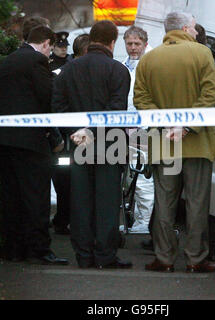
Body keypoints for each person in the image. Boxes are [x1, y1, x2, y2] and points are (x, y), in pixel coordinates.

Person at [134, 12, 215, 273]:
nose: (195, 32)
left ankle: (164, 258)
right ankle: (195, 259)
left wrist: (166, 124)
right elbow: (209, 95)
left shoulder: (149, 59)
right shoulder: (202, 54)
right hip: (198, 143)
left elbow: (141, 100)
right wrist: (187, 125)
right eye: (194, 28)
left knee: (164, 203)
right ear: (185, 28)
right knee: (196, 203)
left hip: (163, 142)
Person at [51, 20, 132, 269]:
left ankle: (84, 255)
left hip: (79, 144)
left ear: (92, 38)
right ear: (113, 41)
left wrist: (75, 131)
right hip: (110, 142)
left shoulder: (68, 70)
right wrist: (91, 130)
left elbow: (58, 108)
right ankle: (105, 255)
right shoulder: (119, 71)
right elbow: (116, 109)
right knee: (107, 202)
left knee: (81, 201)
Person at [0, 25, 68, 265]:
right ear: (46, 43)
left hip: (5, 139)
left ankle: (13, 249)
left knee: (12, 197)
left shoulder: (8, 60)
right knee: (36, 197)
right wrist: (54, 133)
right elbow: (48, 97)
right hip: (31, 141)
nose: (50, 54)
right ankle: (39, 249)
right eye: (50, 49)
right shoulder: (36, 61)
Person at [51, 33, 90, 235]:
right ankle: (63, 219)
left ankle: (72, 220)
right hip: (67, 140)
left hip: (83, 137)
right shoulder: (62, 73)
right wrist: (61, 136)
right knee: (65, 183)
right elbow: (55, 106)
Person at [121, 26, 154, 235]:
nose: (133, 48)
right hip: (126, 127)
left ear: (145, 43)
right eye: (129, 44)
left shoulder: (151, 63)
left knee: (143, 178)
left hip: (145, 127)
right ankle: (131, 219)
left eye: (137, 44)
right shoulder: (125, 64)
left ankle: (144, 222)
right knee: (128, 177)